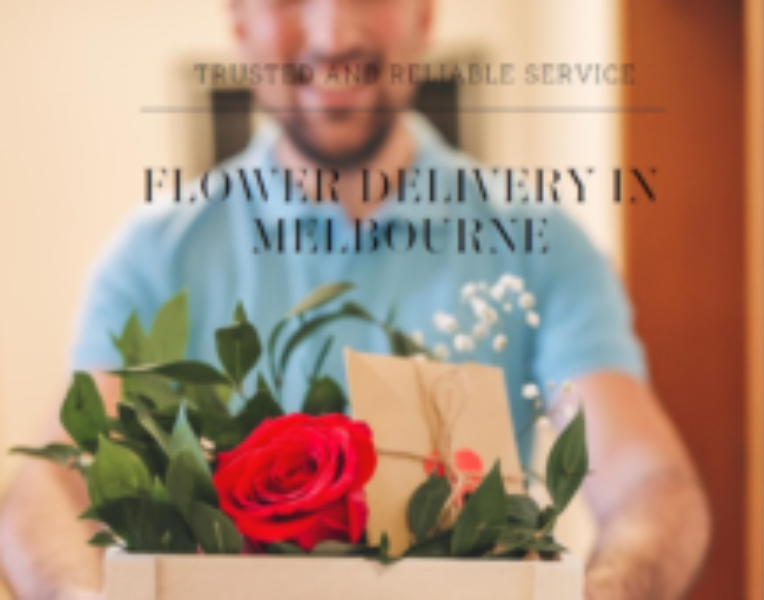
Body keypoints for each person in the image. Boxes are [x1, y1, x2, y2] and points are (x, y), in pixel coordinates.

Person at [0, 0, 710, 598]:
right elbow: (52, 483)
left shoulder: (540, 243)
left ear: (424, 15)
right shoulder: (157, 256)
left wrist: (603, 590)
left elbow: (649, 483)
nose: (332, 33)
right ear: (239, 24)